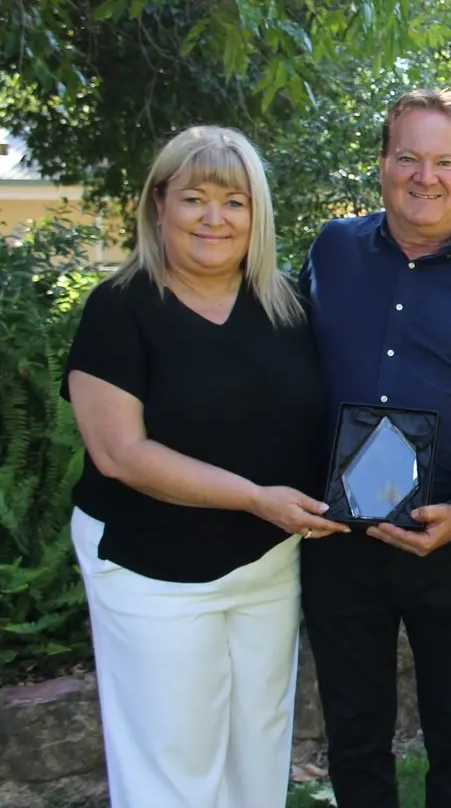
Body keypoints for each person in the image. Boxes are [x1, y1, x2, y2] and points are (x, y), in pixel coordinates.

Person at [63, 126, 346, 808]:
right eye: (195, 198)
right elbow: (119, 453)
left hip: (265, 562)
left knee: (258, 749)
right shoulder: (119, 308)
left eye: (235, 201)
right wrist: (252, 496)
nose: (214, 218)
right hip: (152, 567)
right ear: (158, 204)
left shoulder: (286, 305)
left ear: (257, 215)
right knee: (173, 761)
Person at [299, 89, 451, 807]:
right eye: (408, 157)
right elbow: (290, 376)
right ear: (382, 165)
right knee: (353, 735)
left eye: (444, 161)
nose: (425, 176)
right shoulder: (332, 250)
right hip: (338, 541)